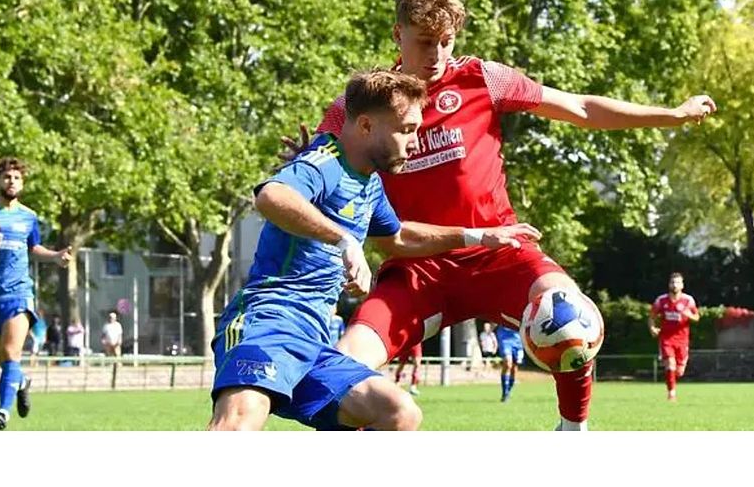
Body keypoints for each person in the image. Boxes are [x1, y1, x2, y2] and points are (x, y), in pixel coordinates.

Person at [285, 0, 717, 430]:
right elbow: (320, 173)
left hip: (500, 253)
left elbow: (582, 108)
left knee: (570, 314)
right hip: (417, 268)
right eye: (425, 42)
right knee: (343, 364)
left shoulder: (484, 78)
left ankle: (574, 430)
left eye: (446, 42)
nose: (436, 56)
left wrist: (670, 115)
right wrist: (310, 162)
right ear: (398, 34)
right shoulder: (360, 105)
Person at [208, 69, 540, 431]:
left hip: (316, 340)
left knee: (398, 412)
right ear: (366, 126)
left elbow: (397, 239)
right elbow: (272, 196)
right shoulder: (325, 162)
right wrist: (344, 239)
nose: (415, 142)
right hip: (267, 321)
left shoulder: (370, 183)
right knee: (237, 425)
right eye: (407, 129)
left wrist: (477, 236)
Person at [0, 157, 73, 430]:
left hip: (18, 293)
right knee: (5, 362)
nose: (12, 182)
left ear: (22, 183)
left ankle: (2, 413)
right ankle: (21, 383)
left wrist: (55, 256)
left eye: (17, 178)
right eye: (7, 177)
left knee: (10, 353)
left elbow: (34, 248)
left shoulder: (29, 217)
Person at [648, 272, 699, 401]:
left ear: (682, 285)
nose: (675, 285)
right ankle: (671, 393)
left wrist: (689, 315)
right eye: (672, 282)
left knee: (679, 371)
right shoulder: (661, 300)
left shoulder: (688, 300)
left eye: (677, 282)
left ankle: (672, 382)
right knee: (670, 365)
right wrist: (652, 328)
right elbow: (652, 317)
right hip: (666, 338)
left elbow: (697, 317)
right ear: (669, 284)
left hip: (682, 340)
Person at [495, 324, 524, 402]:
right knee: (508, 363)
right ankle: (505, 394)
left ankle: (508, 391)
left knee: (514, 369)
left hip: (518, 341)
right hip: (505, 339)